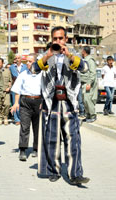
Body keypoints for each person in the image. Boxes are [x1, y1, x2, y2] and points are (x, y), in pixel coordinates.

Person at [32, 26, 90, 185]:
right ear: (51, 39)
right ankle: (53, 171)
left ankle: (75, 174)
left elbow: (85, 68)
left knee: (73, 139)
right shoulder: (45, 55)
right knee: (52, 139)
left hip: (69, 102)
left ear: (66, 39)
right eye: (55, 39)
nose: (58, 41)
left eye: (60, 38)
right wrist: (47, 56)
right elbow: (33, 69)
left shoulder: (74, 55)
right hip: (52, 102)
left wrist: (68, 55)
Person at [10, 54, 42, 161]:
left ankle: (36, 149)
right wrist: (16, 103)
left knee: (37, 128)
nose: (27, 63)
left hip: (39, 102)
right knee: (25, 127)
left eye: (30, 61)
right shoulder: (23, 74)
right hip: (25, 103)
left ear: (36, 62)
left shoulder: (42, 74)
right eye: (27, 61)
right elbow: (17, 90)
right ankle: (22, 150)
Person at [10, 55, 28, 125]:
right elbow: (10, 77)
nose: (17, 59)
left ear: (21, 59)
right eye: (16, 58)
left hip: (24, 87)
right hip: (15, 87)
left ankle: (23, 118)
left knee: (23, 103)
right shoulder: (11, 67)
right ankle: (17, 119)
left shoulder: (25, 67)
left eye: (18, 58)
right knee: (15, 102)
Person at [80, 46, 98, 123]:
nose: (81, 52)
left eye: (82, 50)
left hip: (88, 83)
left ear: (84, 51)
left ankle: (93, 115)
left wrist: (89, 83)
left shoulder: (90, 60)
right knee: (84, 100)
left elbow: (93, 73)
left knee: (88, 99)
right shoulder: (85, 60)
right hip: (84, 82)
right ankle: (88, 115)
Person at [0, 58, 12, 125]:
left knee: (7, 104)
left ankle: (5, 117)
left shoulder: (7, 71)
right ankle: (0, 118)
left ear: (2, 63)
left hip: (6, 91)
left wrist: (9, 87)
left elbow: (10, 81)